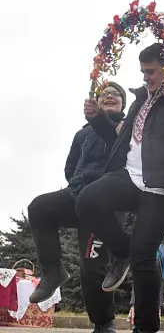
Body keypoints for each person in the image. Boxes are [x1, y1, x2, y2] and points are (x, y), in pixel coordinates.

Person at [75, 43, 164, 333]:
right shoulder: (140, 101)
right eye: (143, 72)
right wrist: (97, 119)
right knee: (87, 200)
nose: (146, 78)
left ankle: (146, 327)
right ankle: (121, 250)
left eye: (151, 72)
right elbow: (120, 139)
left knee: (143, 254)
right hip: (130, 176)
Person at [26, 83, 128, 332]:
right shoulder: (82, 133)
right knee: (40, 207)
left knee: (91, 267)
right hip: (77, 194)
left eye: (116, 95)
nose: (110, 97)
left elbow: (126, 154)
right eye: (104, 94)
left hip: (105, 203)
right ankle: (53, 271)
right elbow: (71, 166)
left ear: (123, 103)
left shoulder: (125, 128)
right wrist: (75, 184)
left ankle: (104, 323)